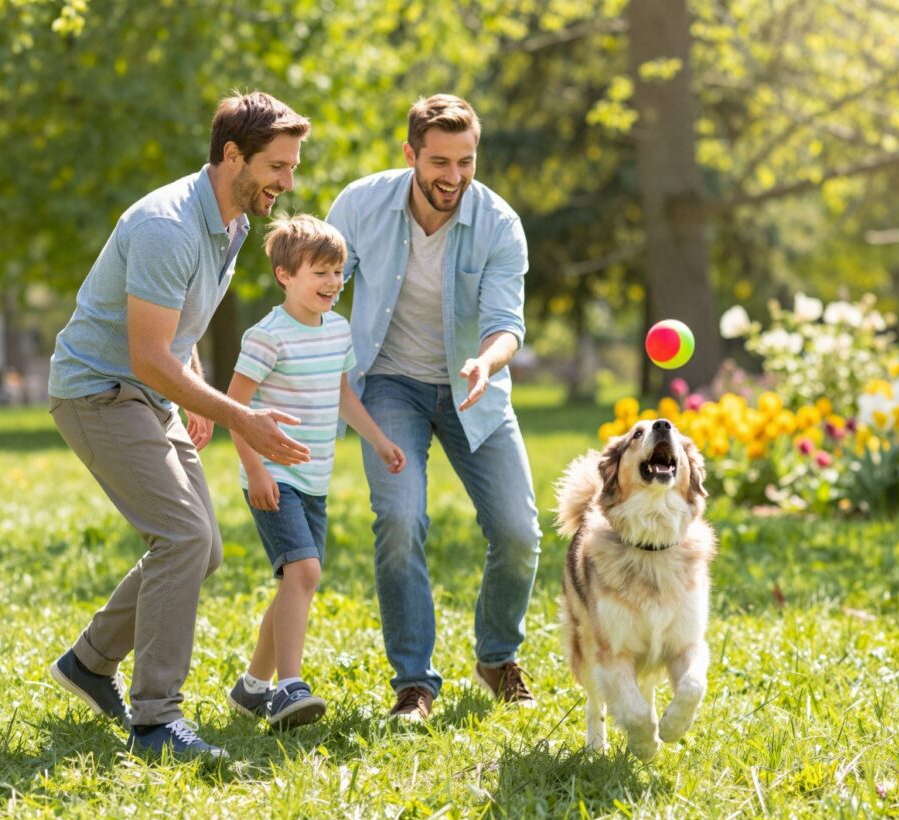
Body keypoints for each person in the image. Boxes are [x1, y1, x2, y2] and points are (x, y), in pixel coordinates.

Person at [47, 91, 312, 758]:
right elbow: (146, 354)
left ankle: (89, 662)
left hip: (147, 392)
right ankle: (155, 721)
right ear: (233, 156)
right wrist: (239, 416)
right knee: (183, 537)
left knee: (203, 549)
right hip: (99, 391)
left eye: (292, 167)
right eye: (277, 167)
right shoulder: (166, 226)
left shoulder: (233, 222)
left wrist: (192, 386)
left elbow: (173, 326)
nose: (287, 182)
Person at [327, 94, 541, 722]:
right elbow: (319, 290)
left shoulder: (499, 224)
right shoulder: (359, 205)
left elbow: (506, 324)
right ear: (410, 154)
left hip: (474, 387)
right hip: (389, 385)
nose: (453, 176)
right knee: (399, 521)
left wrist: (486, 363)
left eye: (466, 162)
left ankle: (497, 657)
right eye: (440, 161)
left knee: (519, 533)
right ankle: (413, 684)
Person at [225, 214, 406, 729]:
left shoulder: (338, 329)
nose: (333, 283)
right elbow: (234, 409)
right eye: (320, 273)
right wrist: (257, 471)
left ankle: (251, 688)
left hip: (315, 481)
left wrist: (379, 440)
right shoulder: (266, 337)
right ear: (285, 275)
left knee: (295, 582)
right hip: (274, 477)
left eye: (338, 272)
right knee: (304, 574)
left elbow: (342, 394)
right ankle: (289, 686)